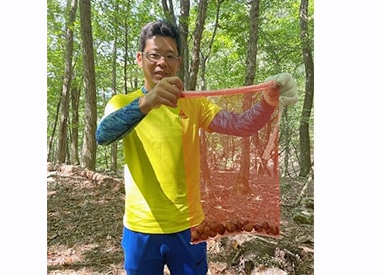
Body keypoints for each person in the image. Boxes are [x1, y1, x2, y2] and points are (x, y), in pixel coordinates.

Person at [96, 19, 297, 275]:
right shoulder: (123, 102)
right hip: (140, 228)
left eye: (170, 56)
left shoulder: (193, 104)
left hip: (189, 226)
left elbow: (241, 125)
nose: (162, 62)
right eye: (154, 55)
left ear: (178, 62)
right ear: (139, 58)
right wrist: (146, 103)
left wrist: (268, 101)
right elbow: (103, 135)